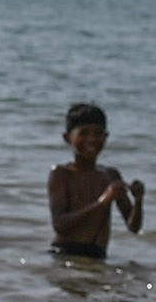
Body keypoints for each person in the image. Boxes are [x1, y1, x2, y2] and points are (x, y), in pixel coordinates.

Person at [48, 102, 143, 258]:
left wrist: (138, 200)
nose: (91, 139)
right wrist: (103, 202)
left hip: (98, 256)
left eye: (98, 134)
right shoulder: (61, 174)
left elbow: (133, 227)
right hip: (66, 253)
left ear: (106, 137)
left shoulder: (110, 175)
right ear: (67, 138)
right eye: (83, 133)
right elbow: (60, 225)